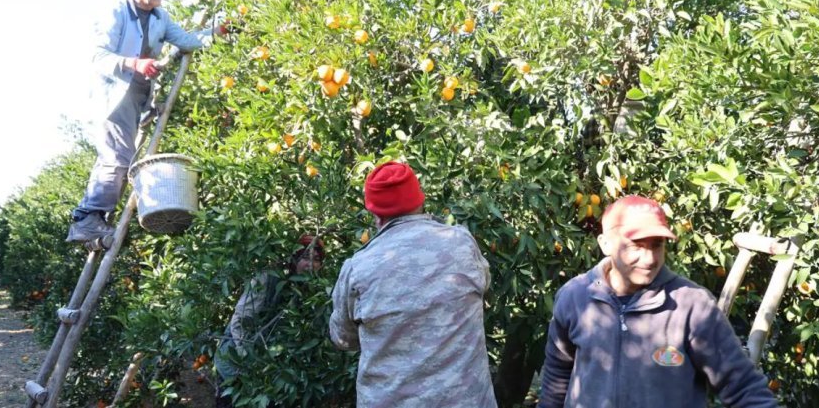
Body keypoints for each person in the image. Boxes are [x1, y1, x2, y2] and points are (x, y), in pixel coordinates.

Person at [538, 195, 778, 408]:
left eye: (657, 245)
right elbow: (557, 378)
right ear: (605, 244)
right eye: (636, 246)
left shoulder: (692, 306)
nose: (650, 258)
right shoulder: (576, 297)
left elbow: (744, 388)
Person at [67, 0, 225, 242]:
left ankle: (93, 216)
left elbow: (187, 41)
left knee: (123, 157)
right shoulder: (116, 12)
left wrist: (216, 33)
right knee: (116, 157)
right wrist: (134, 64)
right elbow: (98, 57)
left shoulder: (160, 18)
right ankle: (87, 218)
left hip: (140, 99)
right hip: (113, 98)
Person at [329, 162, 498, 408]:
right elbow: (483, 288)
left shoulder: (358, 268)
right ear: (421, 200)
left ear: (375, 214)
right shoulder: (461, 244)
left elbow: (343, 339)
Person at [214, 235, 325, 408]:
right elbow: (239, 323)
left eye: (316, 259)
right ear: (293, 259)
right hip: (235, 363)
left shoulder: (309, 292)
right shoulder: (268, 277)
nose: (311, 263)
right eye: (305, 257)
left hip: (267, 372)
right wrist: (249, 364)